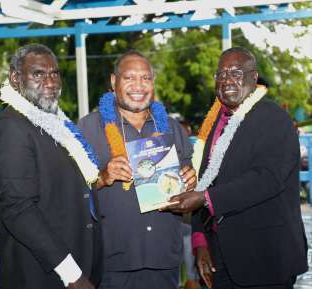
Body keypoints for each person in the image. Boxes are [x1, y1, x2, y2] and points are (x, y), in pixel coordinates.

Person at [165, 47, 308, 289]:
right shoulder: (213, 125)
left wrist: (204, 198)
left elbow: (267, 179)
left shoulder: (274, 119)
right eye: (221, 74)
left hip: (265, 261)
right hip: (219, 261)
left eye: (236, 72)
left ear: (254, 77)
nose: (227, 80)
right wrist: (200, 242)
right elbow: (204, 181)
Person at [0, 44, 102, 289]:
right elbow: (19, 210)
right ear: (15, 79)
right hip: (41, 274)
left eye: (54, 73)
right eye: (38, 74)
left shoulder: (54, 123)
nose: (50, 81)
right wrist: (72, 274)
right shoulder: (10, 129)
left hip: (77, 264)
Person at [78, 51, 196, 289]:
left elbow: (188, 189)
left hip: (164, 260)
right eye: (130, 77)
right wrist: (102, 177)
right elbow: (68, 191)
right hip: (112, 263)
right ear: (114, 81)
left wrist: (190, 180)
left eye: (146, 78)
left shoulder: (173, 128)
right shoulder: (88, 129)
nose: (138, 86)